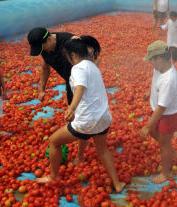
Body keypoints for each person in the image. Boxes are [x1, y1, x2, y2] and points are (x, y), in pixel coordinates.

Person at [36, 38, 126, 192]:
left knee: (54, 142)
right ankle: (117, 184)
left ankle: (54, 176)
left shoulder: (78, 69)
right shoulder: (93, 65)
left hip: (87, 120)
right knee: (103, 150)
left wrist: (71, 108)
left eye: (67, 57)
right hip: (103, 118)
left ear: (72, 55)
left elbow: (79, 88)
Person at [27, 28, 102, 164]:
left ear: (49, 39)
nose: (43, 51)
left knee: (81, 119)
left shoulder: (70, 42)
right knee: (77, 119)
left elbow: (95, 60)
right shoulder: (44, 50)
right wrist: (42, 89)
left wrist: (91, 82)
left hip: (83, 85)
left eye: (43, 47)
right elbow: (45, 68)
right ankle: (83, 139)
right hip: (71, 83)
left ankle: (80, 156)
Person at [140, 40, 177, 184]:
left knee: (163, 144)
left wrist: (147, 126)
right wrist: (150, 92)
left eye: (151, 59)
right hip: (161, 111)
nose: (150, 62)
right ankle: (171, 151)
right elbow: (156, 85)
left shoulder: (168, 79)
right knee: (154, 132)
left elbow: (162, 108)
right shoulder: (159, 68)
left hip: (168, 115)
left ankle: (165, 173)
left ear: (159, 58)